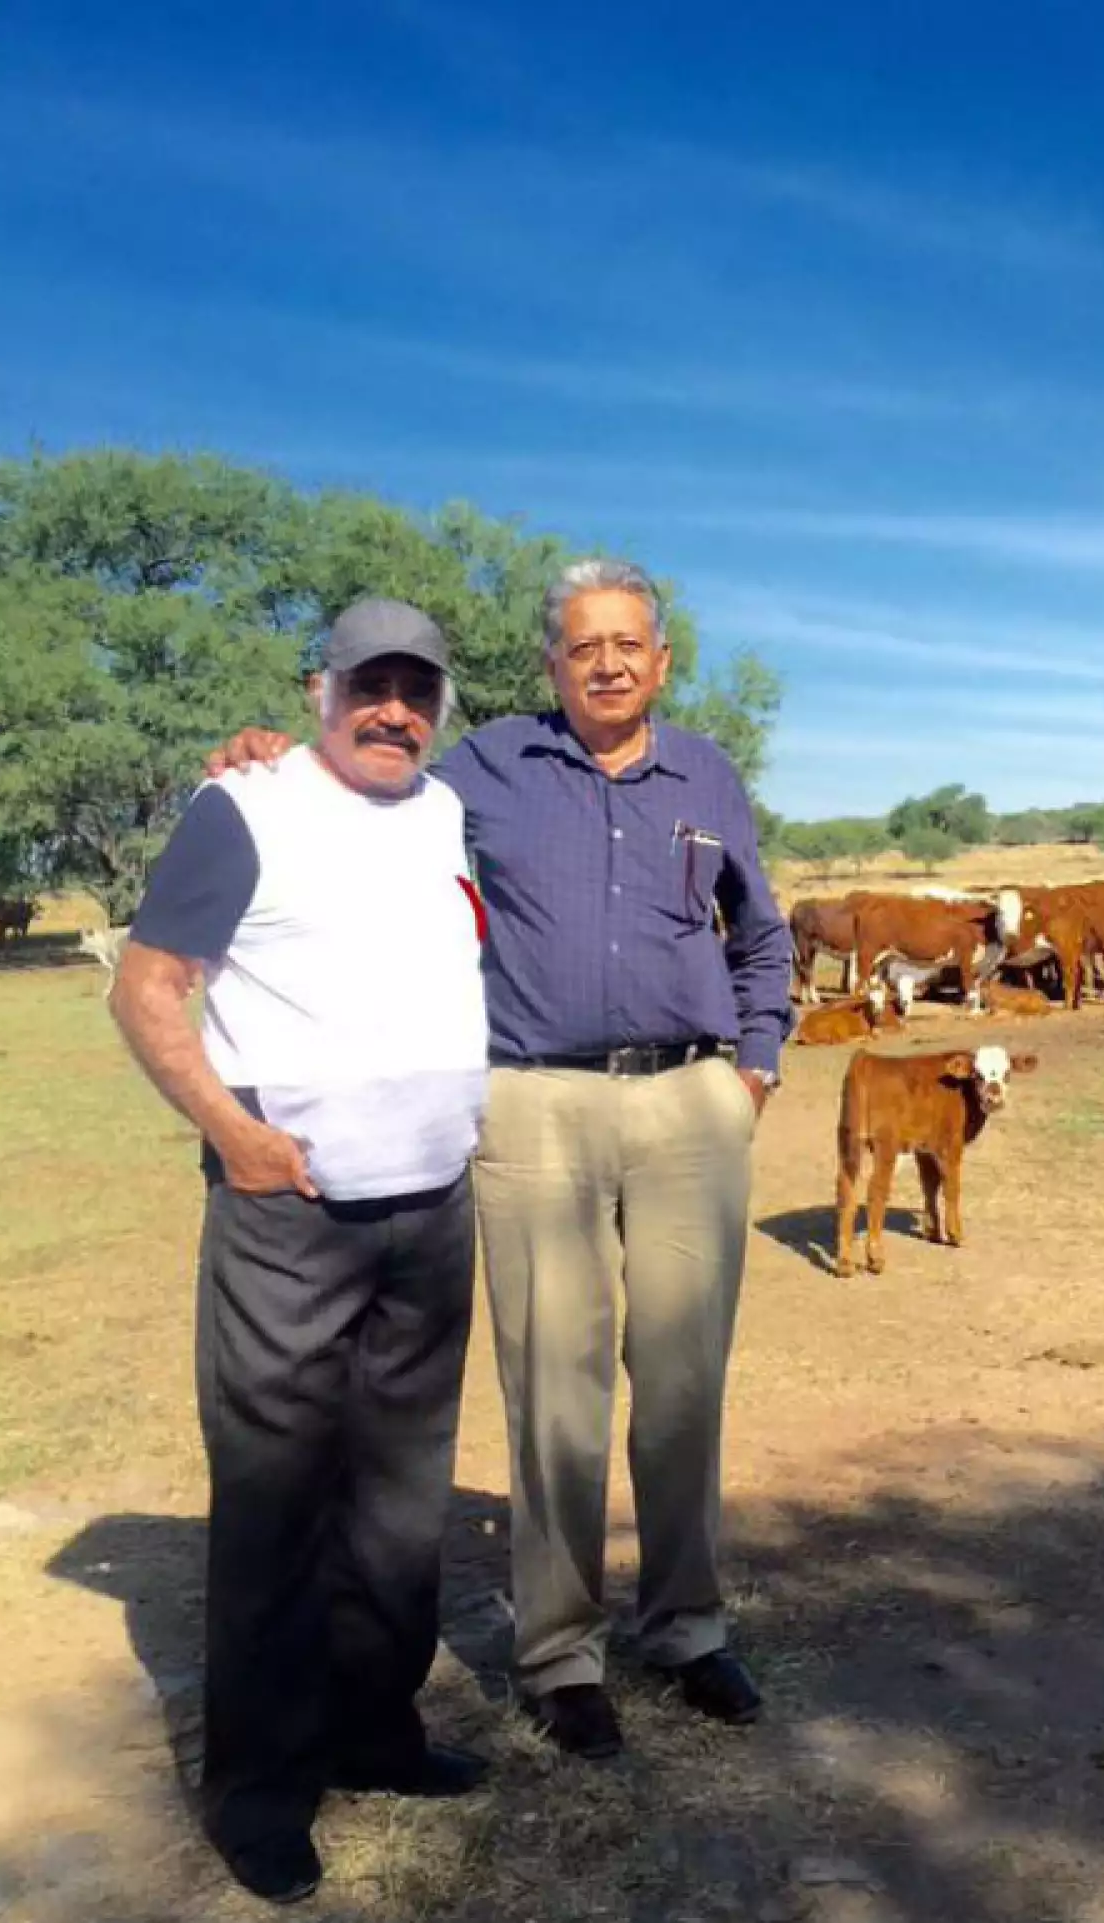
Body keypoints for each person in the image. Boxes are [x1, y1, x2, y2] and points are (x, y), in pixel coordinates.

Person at [211, 558, 793, 1763]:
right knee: (554, 1390)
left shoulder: (709, 775)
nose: (608, 664)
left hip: (691, 1100)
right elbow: (358, 773)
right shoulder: (482, 771)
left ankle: (685, 1625)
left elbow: (762, 934)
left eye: (628, 644)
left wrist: (754, 1066)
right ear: (551, 667)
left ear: (663, 660)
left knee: (683, 1384)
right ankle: (559, 1649)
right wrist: (269, 750)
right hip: (531, 1104)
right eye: (583, 647)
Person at [112, 599, 491, 1906]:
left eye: (417, 687)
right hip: (291, 1216)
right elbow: (148, 984)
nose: (394, 707)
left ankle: (375, 1732)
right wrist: (230, 1127)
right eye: (369, 684)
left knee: (398, 1497)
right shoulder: (249, 804)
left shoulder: (445, 808)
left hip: (433, 1207)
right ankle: (261, 1790)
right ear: (321, 687)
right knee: (277, 1503)